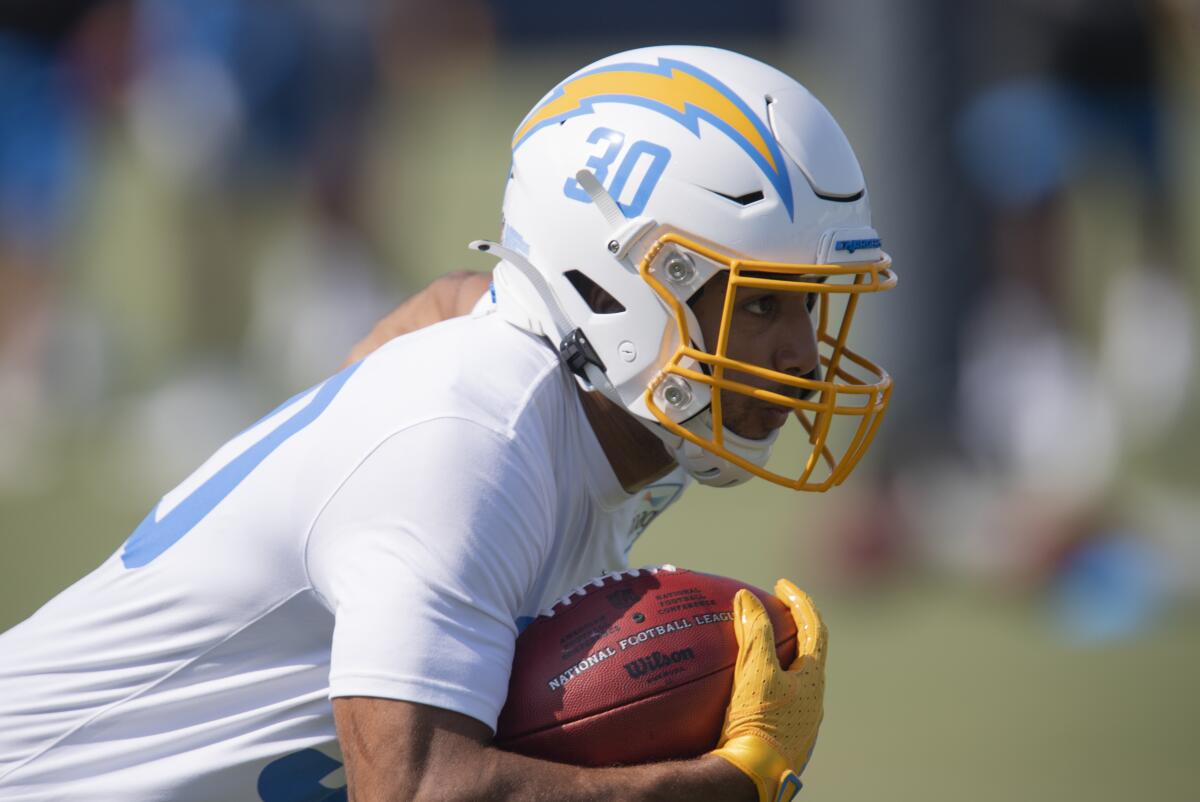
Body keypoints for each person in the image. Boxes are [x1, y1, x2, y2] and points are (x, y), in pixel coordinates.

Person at [0, 45, 895, 801]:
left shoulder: (566, 400)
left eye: (808, 308)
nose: (804, 359)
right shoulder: (474, 433)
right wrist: (728, 779)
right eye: (762, 304)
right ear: (616, 278)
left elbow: (453, 305)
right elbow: (417, 789)